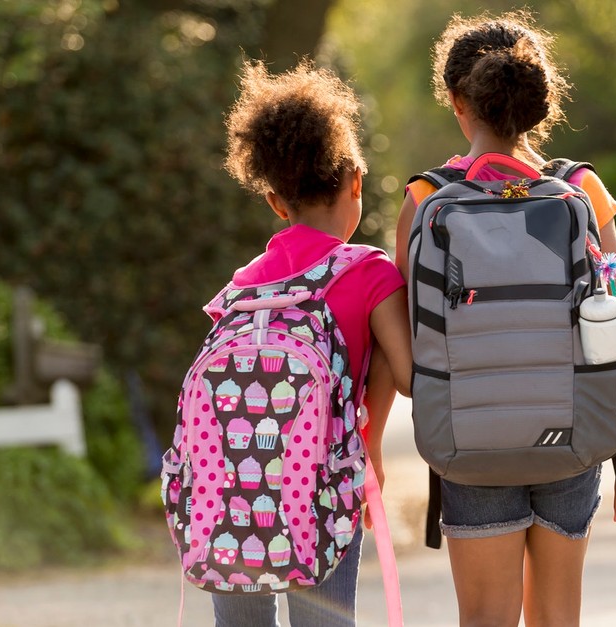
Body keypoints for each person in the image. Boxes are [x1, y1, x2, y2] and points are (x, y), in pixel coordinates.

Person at [393, 12, 616, 627]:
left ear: (458, 101)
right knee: (557, 617)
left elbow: (409, 352)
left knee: (485, 618)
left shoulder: (424, 201)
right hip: (570, 437)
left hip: (469, 441)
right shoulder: (581, 189)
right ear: (539, 99)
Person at [214, 59, 412, 627]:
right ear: (356, 180)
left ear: (276, 202)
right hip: (321, 481)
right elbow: (408, 375)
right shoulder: (369, 272)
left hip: (232, 483)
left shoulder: (244, 283)